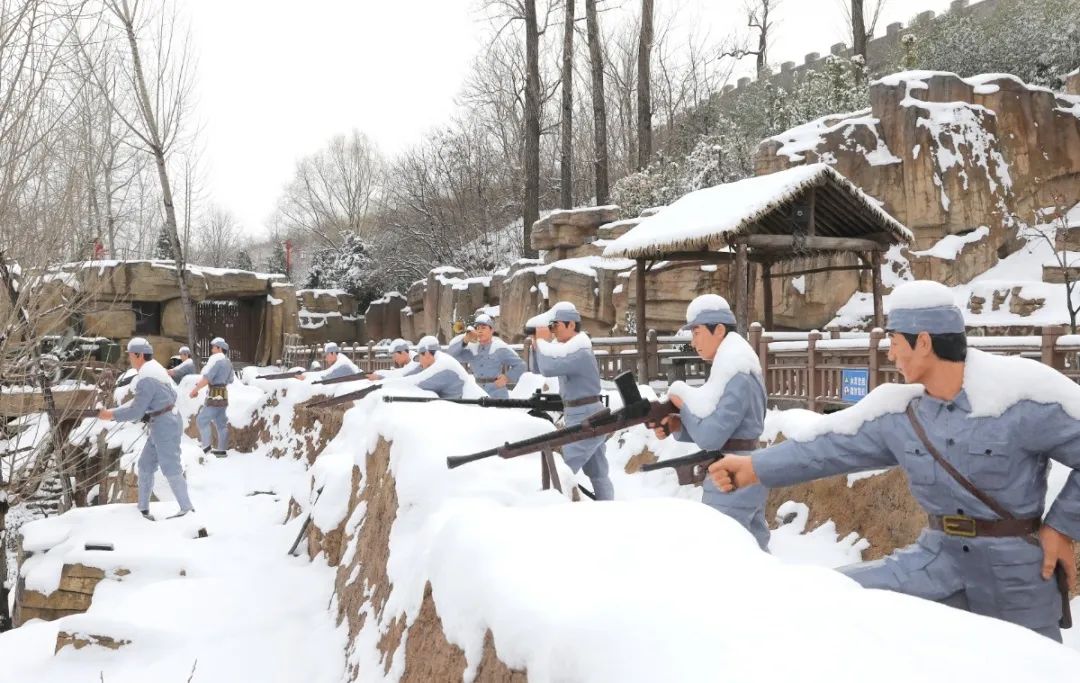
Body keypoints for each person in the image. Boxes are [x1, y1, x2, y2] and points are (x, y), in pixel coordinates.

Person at [708, 280, 1079, 641]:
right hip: (938, 559)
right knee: (835, 599)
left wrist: (1061, 528)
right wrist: (754, 467)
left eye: (894, 341)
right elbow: (829, 446)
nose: (889, 353)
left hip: (1015, 574)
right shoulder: (902, 415)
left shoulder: (1020, 397)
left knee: (1030, 667)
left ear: (923, 342)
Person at [650, 294, 770, 550]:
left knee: (724, 551)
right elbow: (717, 425)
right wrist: (677, 425)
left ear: (718, 330)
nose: (693, 342)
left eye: (697, 332)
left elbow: (711, 437)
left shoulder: (736, 373)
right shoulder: (730, 365)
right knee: (757, 550)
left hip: (732, 476)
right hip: (744, 468)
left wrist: (682, 404)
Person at [98, 338, 195, 520]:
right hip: (162, 422)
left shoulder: (147, 378)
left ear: (139, 355)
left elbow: (135, 411)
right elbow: (170, 395)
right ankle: (143, 509)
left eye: (131, 355)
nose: (129, 359)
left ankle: (187, 508)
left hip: (164, 424)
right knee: (145, 465)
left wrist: (109, 415)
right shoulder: (156, 372)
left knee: (170, 465)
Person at [531, 302, 614, 501]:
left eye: (556, 326)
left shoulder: (580, 351)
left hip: (587, 416)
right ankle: (609, 509)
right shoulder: (569, 349)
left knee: (561, 468)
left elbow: (548, 369)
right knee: (598, 472)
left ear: (571, 325)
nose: (553, 331)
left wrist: (542, 343)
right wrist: (536, 345)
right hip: (579, 414)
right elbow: (537, 369)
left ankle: (554, 506)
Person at [447, 313, 525, 398]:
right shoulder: (473, 350)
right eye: (477, 328)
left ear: (491, 330)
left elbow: (521, 365)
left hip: (497, 393)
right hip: (478, 393)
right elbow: (451, 355)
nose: (480, 331)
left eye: (483, 328)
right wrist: (465, 340)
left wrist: (507, 378)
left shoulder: (499, 347)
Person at [190, 337, 233, 457]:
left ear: (220, 348)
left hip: (214, 395)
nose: (212, 349)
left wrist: (195, 389)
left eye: (214, 347)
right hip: (224, 395)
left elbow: (207, 378)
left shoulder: (216, 360)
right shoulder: (228, 362)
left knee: (202, 420)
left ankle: (206, 448)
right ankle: (221, 450)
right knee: (221, 423)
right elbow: (231, 379)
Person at [397, 335, 468, 399]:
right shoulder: (440, 362)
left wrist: (390, 384)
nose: (419, 362)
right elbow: (416, 372)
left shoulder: (442, 369)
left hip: (462, 408)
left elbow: (416, 384)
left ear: (427, 354)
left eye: (419, 357)